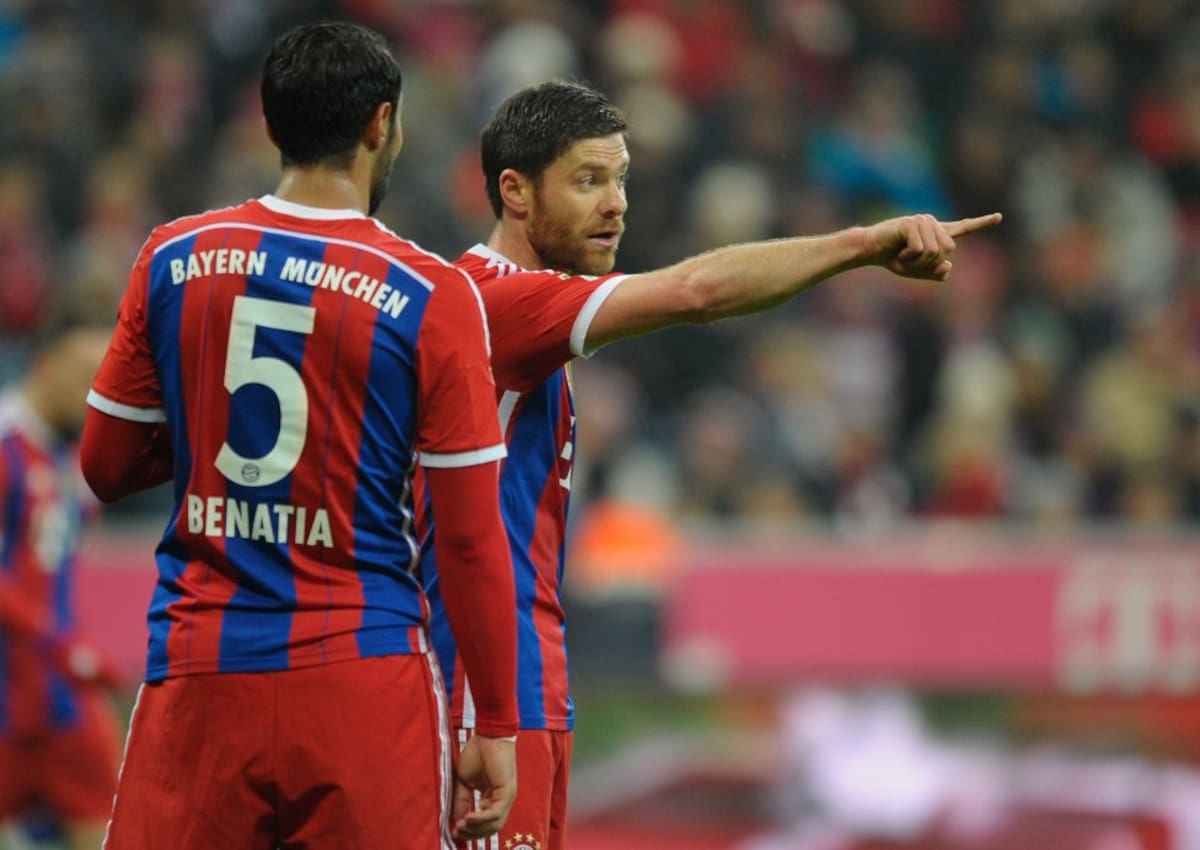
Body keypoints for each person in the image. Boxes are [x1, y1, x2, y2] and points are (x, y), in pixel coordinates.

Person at [419, 80, 1002, 850]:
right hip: (482, 688)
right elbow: (695, 291)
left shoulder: (519, 311)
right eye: (590, 180)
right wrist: (859, 246)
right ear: (515, 192)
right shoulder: (497, 303)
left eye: (621, 179)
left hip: (526, 682)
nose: (617, 204)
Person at [79, 22, 519, 850]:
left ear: (270, 122)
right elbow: (465, 540)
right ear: (381, 125)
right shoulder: (433, 294)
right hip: (362, 676)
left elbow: (104, 468)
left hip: (200, 672)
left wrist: (215, 424)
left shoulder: (173, 257)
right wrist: (493, 719)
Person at [0, 317, 122, 850]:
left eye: (102, 384)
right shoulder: (6, 445)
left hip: (63, 695)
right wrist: (56, 638)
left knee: (110, 831)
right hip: (12, 687)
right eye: (82, 380)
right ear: (44, 367)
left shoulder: (76, 457)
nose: (92, 397)